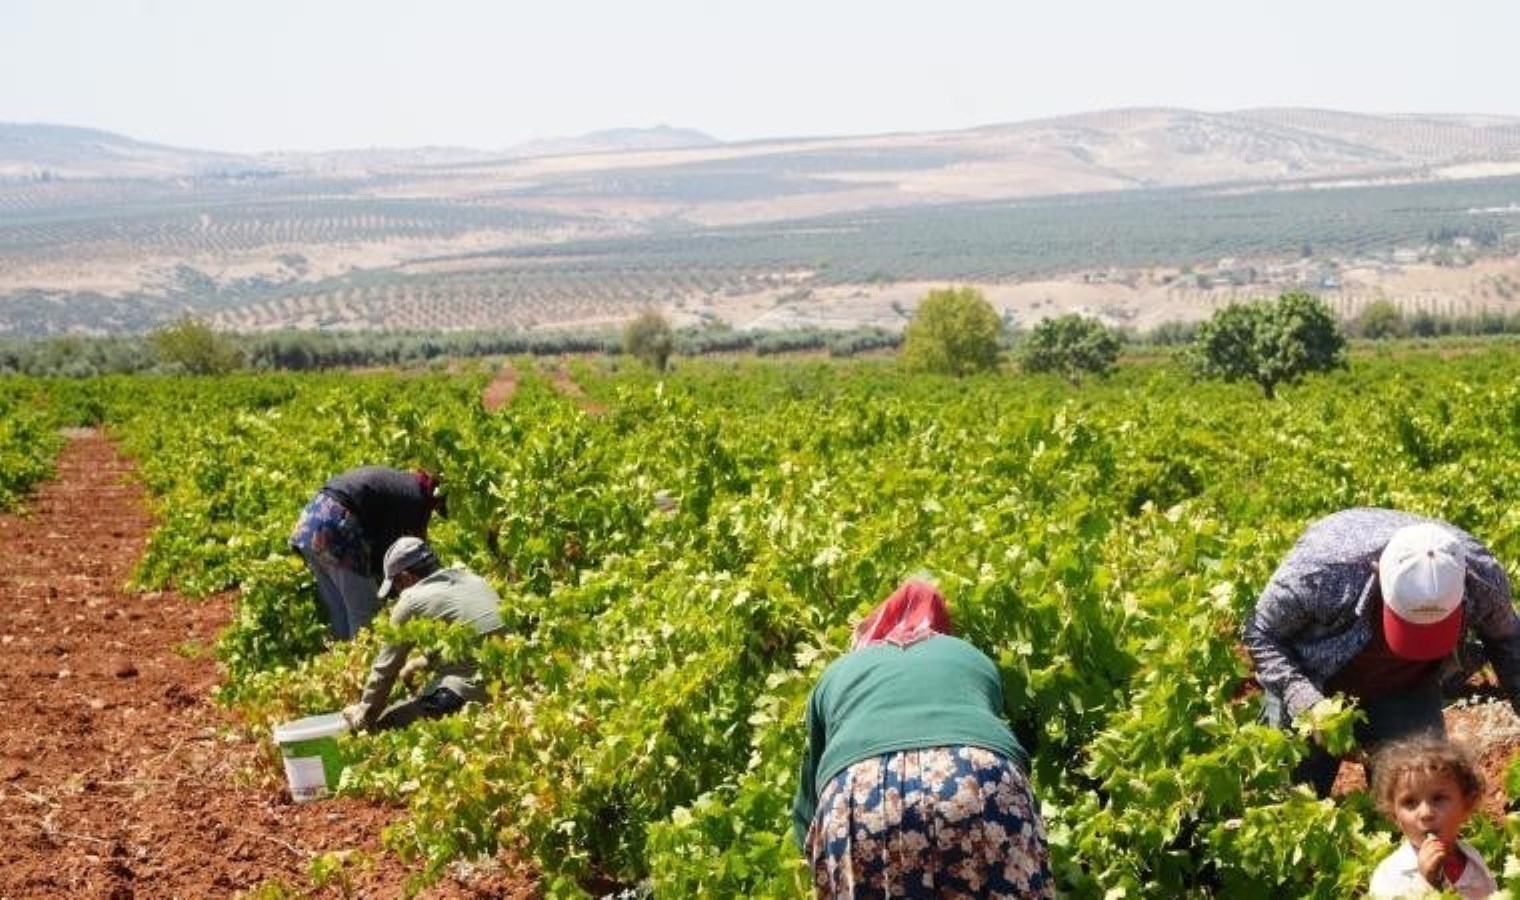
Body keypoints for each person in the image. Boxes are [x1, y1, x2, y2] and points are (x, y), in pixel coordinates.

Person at [790, 579, 1054, 899]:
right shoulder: (970, 657)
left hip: (860, 791)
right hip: (978, 775)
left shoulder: (838, 672)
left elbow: (808, 812)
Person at [1242, 507, 1520, 797]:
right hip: (1314, 677)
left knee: (1419, 804)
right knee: (1288, 799)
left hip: (1408, 687)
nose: (1420, 639)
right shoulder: (1324, 571)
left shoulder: (1482, 577)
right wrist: (1305, 700)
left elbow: (1508, 641)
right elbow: (1261, 631)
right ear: (1378, 573)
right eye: (1409, 624)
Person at [341, 536, 502, 732]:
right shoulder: (474, 580)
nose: (397, 595)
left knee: (387, 725)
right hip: (509, 688)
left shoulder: (411, 599)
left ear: (406, 577)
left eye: (396, 588)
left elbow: (385, 670)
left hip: (466, 696)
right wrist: (415, 666)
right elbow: (472, 641)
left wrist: (364, 714)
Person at [289, 465, 447, 639]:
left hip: (309, 524)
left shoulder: (402, 483)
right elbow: (391, 549)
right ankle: (364, 664)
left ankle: (343, 662)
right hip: (336, 531)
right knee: (365, 614)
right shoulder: (414, 498)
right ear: (436, 496)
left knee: (340, 611)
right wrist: (392, 591)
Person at [1368, 736, 1496, 898]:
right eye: (1410, 802)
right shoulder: (1390, 877)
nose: (1426, 813)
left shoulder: (1473, 859)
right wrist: (1429, 884)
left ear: (1466, 804)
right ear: (1395, 816)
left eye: (1438, 798)